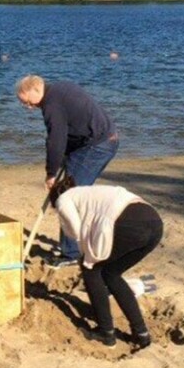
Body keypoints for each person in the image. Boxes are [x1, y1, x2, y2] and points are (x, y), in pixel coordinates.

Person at [16, 74, 119, 268]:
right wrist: (65, 157)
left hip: (97, 145)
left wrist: (51, 173)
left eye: (28, 102)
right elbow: (74, 126)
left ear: (37, 89)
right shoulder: (59, 90)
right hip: (100, 140)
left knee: (67, 197)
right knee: (73, 194)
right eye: (24, 104)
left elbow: (56, 139)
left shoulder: (51, 104)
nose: (29, 107)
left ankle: (70, 253)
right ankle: (75, 244)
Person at [51, 176, 163, 349]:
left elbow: (76, 230)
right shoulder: (86, 193)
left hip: (128, 224)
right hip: (155, 223)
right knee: (112, 274)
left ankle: (106, 332)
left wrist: (85, 256)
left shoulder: (63, 199)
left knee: (91, 270)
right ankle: (141, 333)